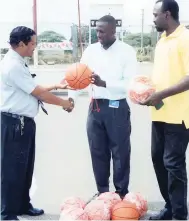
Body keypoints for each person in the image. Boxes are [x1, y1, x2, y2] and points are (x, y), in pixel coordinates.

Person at [0, 26, 74, 220]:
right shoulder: (13, 65)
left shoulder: (18, 61)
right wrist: (64, 103)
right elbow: (38, 93)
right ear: (22, 43)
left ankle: (23, 205)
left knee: (25, 168)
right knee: (11, 170)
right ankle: (7, 213)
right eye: (33, 43)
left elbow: (32, 87)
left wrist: (56, 86)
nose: (34, 47)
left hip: (24, 123)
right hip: (15, 124)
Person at [67, 15, 138, 198]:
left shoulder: (126, 51)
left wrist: (104, 83)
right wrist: (71, 98)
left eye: (102, 31)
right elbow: (78, 75)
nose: (98, 34)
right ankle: (103, 193)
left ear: (114, 31)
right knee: (97, 152)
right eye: (96, 30)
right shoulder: (91, 51)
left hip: (117, 107)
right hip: (95, 107)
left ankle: (121, 193)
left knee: (120, 153)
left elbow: (130, 84)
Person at [140, 0, 189, 220]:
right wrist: (144, 89)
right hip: (159, 112)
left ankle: (179, 213)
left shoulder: (185, 39)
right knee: (158, 159)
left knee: (173, 164)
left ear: (167, 15)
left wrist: (160, 94)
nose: (153, 19)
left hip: (179, 116)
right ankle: (169, 207)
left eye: (155, 14)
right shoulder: (162, 40)